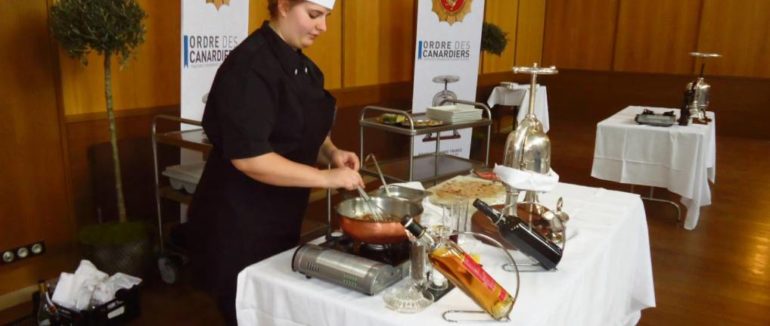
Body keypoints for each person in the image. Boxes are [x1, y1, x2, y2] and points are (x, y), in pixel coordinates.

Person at [185, 0, 361, 323]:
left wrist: (331, 153)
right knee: (246, 313)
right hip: (238, 225)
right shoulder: (250, 67)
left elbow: (301, 131)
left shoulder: (302, 67)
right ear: (282, 6)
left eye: (326, 17)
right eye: (314, 15)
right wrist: (326, 178)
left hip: (279, 219)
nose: (323, 27)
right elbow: (250, 158)